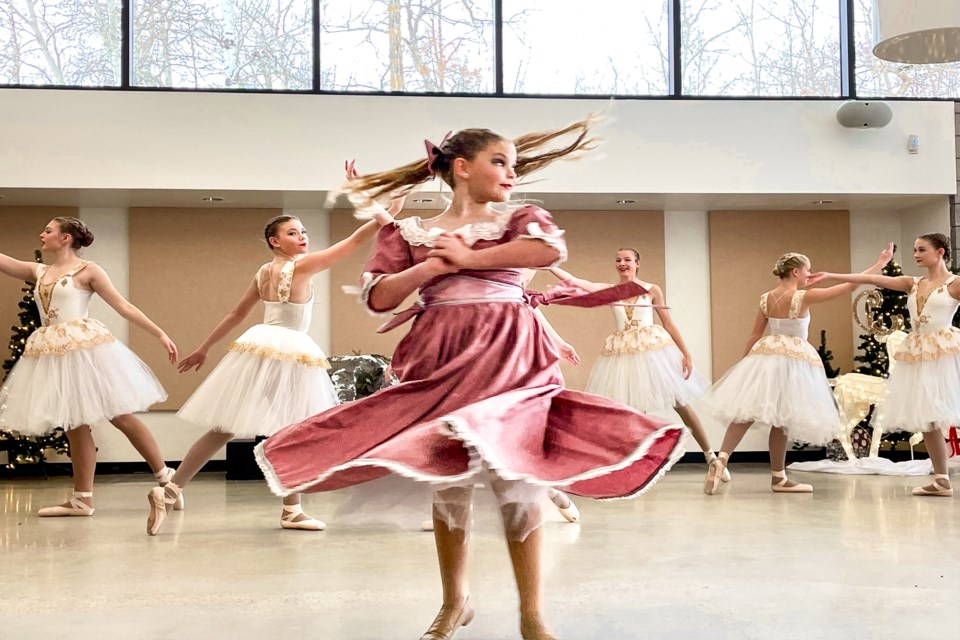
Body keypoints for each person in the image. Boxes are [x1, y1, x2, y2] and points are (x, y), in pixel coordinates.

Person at [254, 118, 686, 640]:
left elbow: (548, 252)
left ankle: (532, 615)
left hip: (510, 356)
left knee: (517, 475)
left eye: (513, 164)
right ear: (462, 168)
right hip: (441, 358)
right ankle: (454, 601)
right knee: (448, 477)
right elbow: (378, 297)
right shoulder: (409, 232)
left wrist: (471, 256)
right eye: (499, 162)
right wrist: (429, 269)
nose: (510, 173)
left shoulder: (520, 218)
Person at [146, 205, 397, 535]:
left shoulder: (263, 272)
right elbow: (352, 242)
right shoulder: (302, 266)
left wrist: (204, 348)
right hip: (289, 349)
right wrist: (386, 213)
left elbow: (235, 316)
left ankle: (170, 490)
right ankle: (291, 510)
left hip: (260, 346)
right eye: (292, 233)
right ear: (274, 241)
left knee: (225, 427)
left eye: (304, 231)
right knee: (291, 428)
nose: (302, 237)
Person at [0, 217, 179, 516]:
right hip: (52, 351)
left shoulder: (88, 270)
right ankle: (83, 499)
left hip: (84, 349)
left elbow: (124, 306)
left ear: (66, 238)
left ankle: (167, 479)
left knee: (119, 415)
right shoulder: (39, 271)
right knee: (73, 424)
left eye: (48, 230)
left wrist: (159, 333)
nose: (41, 234)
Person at [700, 244, 893, 496]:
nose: (809, 276)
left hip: (766, 354)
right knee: (783, 418)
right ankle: (777, 477)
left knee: (748, 413)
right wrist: (879, 264)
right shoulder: (803, 297)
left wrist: (745, 364)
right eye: (807, 271)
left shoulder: (765, 298)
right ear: (794, 273)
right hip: (794, 359)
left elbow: (755, 334)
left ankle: (722, 461)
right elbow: (850, 287)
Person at [548, 250, 728, 481]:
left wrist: (685, 353)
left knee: (681, 403)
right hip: (625, 354)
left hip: (653, 351)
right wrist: (549, 265)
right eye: (618, 260)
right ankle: (640, 465)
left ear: (637, 264)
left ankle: (711, 457)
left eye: (627, 260)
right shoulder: (610, 291)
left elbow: (668, 323)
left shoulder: (652, 289)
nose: (622, 264)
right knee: (634, 412)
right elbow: (576, 282)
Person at [811, 234, 959, 497]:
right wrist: (832, 274)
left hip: (945, 353)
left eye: (922, 249)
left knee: (946, 412)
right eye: (914, 250)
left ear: (940, 252)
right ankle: (941, 479)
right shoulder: (911, 283)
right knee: (928, 419)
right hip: (917, 354)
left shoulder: (955, 283)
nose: (916, 254)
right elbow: (870, 279)